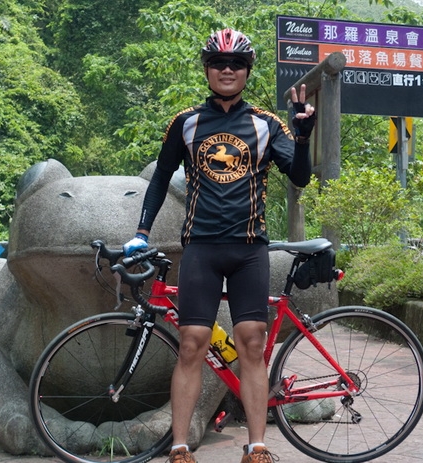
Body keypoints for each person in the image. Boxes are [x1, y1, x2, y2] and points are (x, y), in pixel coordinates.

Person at [123, 28, 316, 463]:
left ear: (247, 71)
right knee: (192, 342)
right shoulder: (186, 122)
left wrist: (303, 137)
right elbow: (160, 178)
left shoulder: (267, 124)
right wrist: (142, 232)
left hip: (249, 249)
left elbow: (300, 176)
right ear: (207, 70)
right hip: (201, 248)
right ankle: (179, 448)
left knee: (251, 342)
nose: (227, 70)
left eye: (236, 64)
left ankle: (257, 447)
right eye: (218, 63)